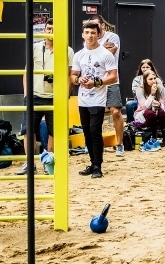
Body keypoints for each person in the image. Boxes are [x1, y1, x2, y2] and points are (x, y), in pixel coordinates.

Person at [17, 18, 74, 175]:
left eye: (54, 29)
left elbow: (69, 75)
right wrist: (26, 94)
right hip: (34, 95)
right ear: (44, 30)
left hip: (55, 97)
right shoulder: (35, 48)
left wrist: (65, 95)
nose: (51, 32)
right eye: (49, 29)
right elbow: (26, 70)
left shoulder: (67, 50)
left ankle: (49, 162)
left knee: (54, 132)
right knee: (28, 130)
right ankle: (29, 164)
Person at [71, 22, 118, 179]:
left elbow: (113, 76)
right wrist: (79, 79)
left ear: (98, 35)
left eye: (93, 32)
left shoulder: (106, 54)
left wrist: (97, 82)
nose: (90, 35)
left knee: (95, 131)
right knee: (86, 132)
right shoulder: (79, 55)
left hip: (98, 99)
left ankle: (98, 165)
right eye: (87, 32)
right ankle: (92, 163)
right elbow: (72, 76)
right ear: (82, 35)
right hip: (82, 99)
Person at [90, 14, 126, 157]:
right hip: (95, 81)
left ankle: (120, 144)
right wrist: (101, 49)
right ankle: (95, 144)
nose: (92, 31)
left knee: (116, 111)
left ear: (102, 26)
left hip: (111, 80)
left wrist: (98, 49)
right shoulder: (89, 38)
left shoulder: (113, 37)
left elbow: (108, 55)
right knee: (95, 115)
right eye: (90, 28)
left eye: (95, 27)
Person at [133, 70, 165, 141]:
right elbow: (144, 107)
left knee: (161, 112)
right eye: (150, 79)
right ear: (145, 80)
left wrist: (159, 105)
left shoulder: (160, 88)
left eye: (155, 78)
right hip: (142, 112)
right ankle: (147, 138)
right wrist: (152, 94)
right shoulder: (139, 89)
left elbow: (163, 104)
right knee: (150, 113)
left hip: (157, 110)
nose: (153, 81)